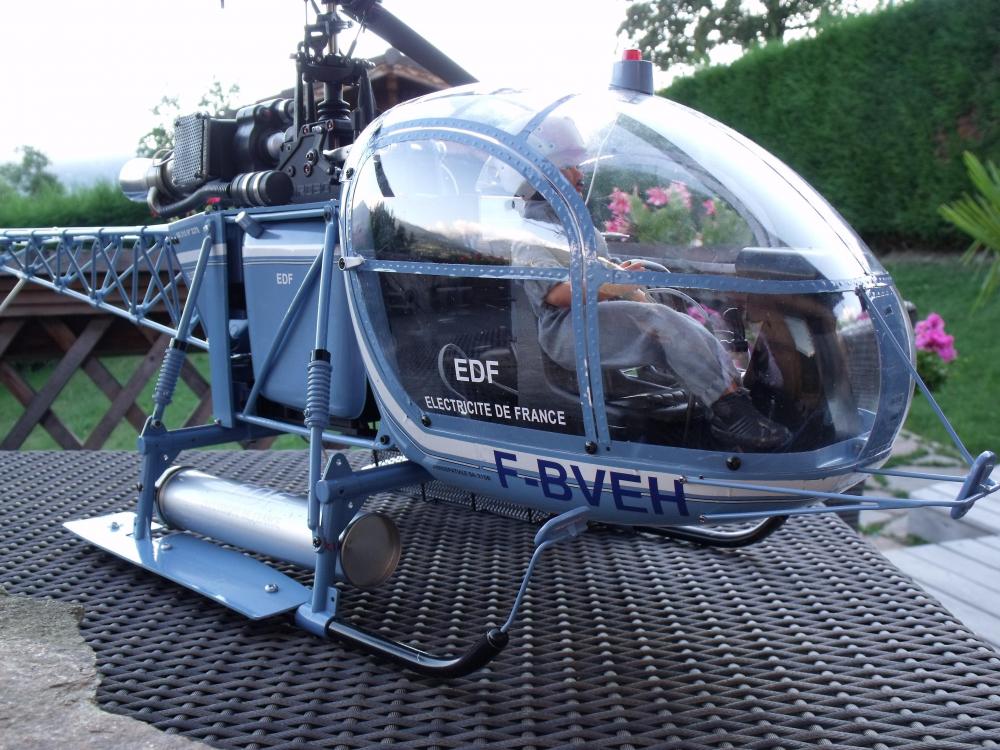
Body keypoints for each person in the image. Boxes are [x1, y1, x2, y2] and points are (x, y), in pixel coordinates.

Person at [511, 160, 791, 452]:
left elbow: (601, 271)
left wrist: (624, 281)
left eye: (578, 169)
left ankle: (734, 396)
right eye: (567, 170)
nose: (579, 177)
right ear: (541, 183)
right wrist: (615, 284)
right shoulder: (531, 235)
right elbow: (557, 294)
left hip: (595, 316)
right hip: (566, 330)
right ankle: (730, 415)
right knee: (659, 322)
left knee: (681, 323)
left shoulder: (579, 229)